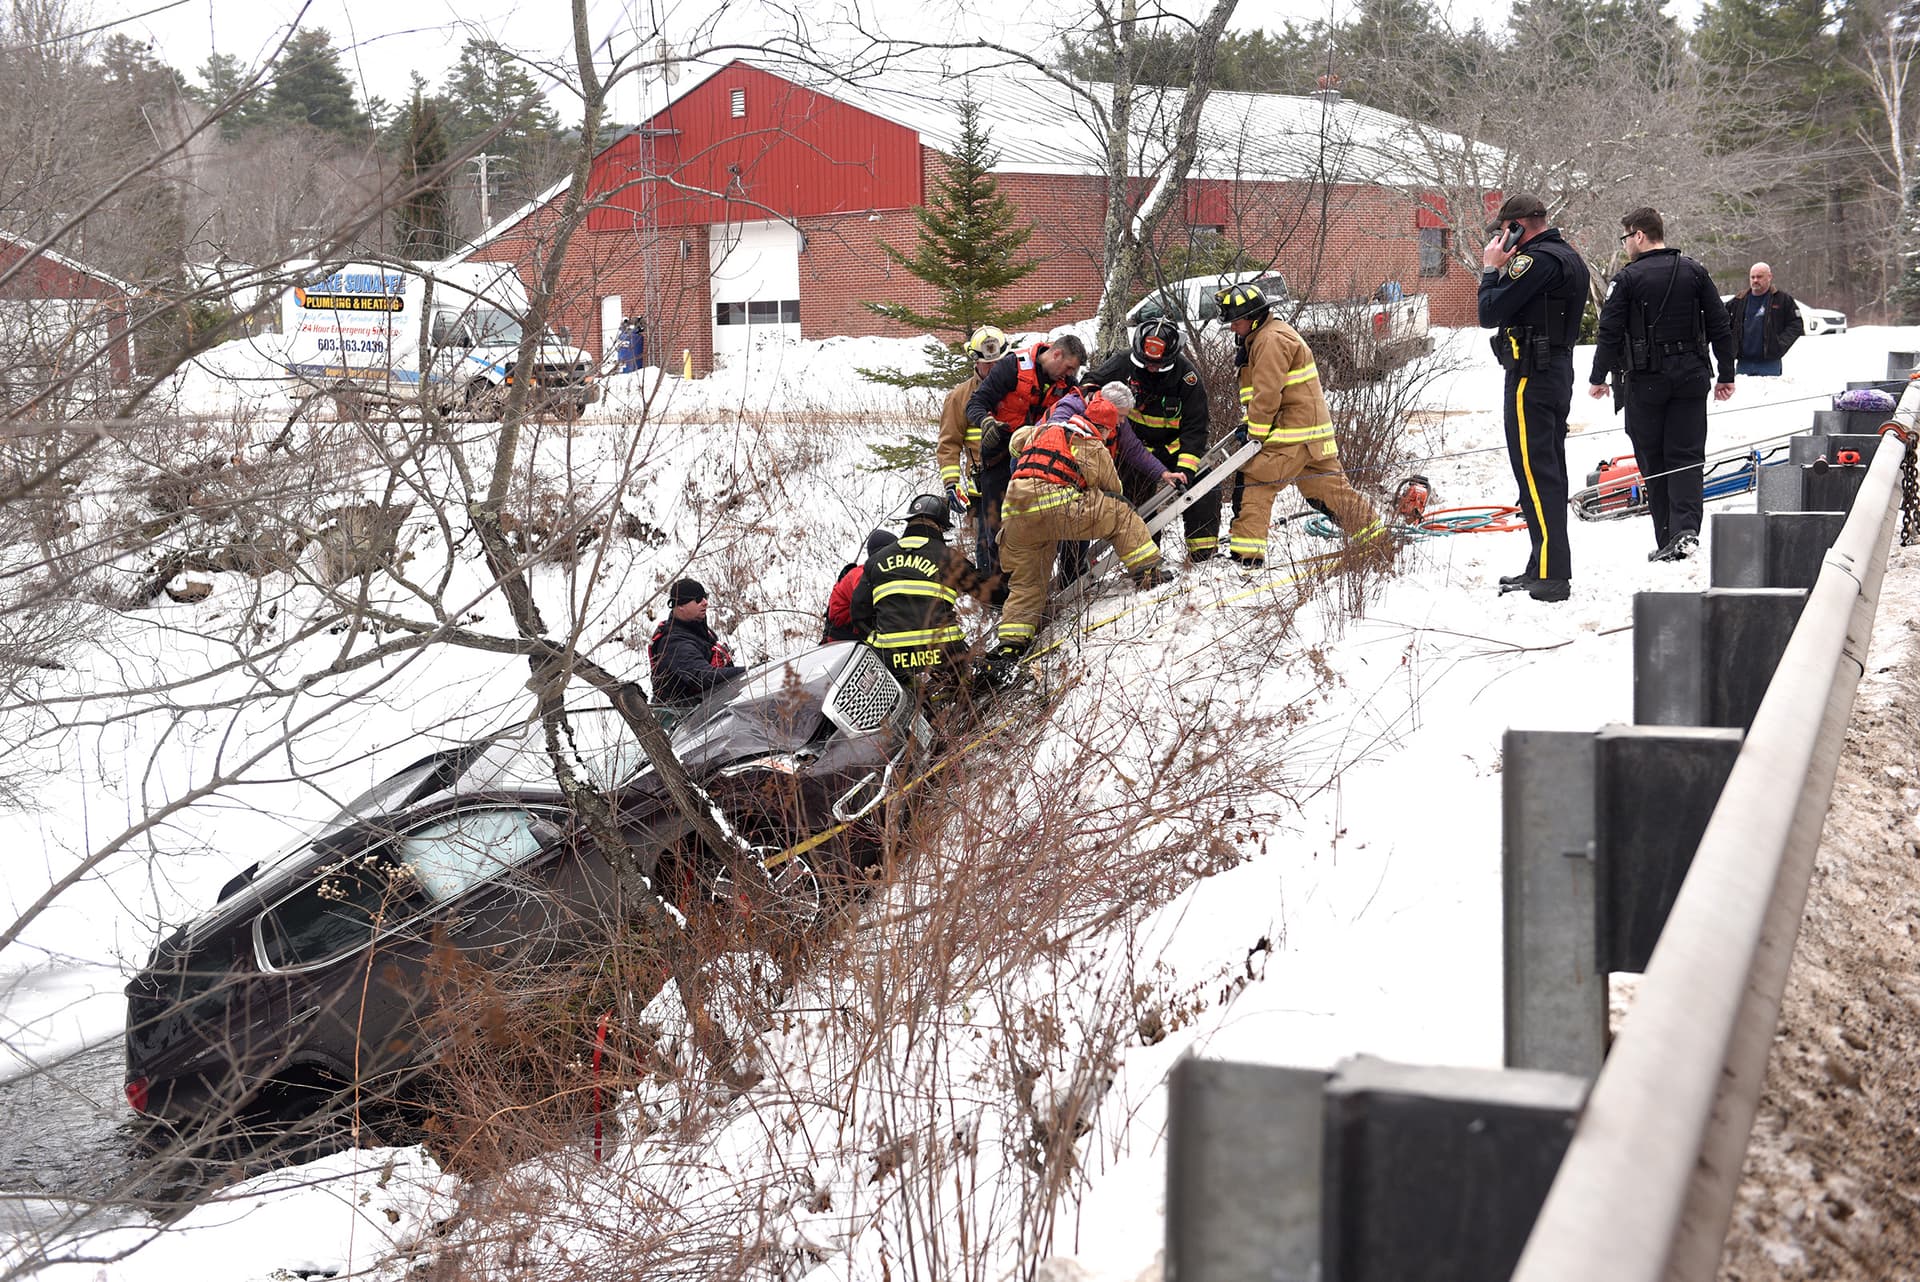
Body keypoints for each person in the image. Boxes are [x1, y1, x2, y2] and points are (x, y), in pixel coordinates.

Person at [1587, 207, 1736, 563]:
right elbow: (1720, 324)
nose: (1625, 246)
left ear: (1639, 235)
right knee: (1686, 456)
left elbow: (1609, 331)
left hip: (1646, 380)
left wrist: (1598, 376)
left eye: (1626, 238)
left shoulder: (1627, 280)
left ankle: (1668, 534)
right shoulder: (1695, 271)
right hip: (1691, 376)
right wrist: (1727, 373)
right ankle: (1686, 531)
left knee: (1653, 459)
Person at [992, 385, 1168, 663]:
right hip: (1056, 506)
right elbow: (1112, 487)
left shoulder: (1043, 429)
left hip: (1015, 514)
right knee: (1121, 512)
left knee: (1027, 584)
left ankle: (1012, 643)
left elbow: (1017, 439)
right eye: (1113, 430)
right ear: (1106, 428)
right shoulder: (1089, 440)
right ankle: (1149, 572)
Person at [1216, 282, 1383, 567]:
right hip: (1310, 437)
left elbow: (1267, 394)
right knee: (1331, 492)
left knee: (1255, 483)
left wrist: (1255, 435)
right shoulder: (1268, 335)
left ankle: (1246, 558)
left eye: (1236, 321)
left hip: (1290, 436)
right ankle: (1377, 540)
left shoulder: (1270, 340)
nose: (1233, 328)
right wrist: (1250, 422)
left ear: (1254, 317)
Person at [1478, 192, 1591, 604]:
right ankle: (1541, 565)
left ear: (1517, 227)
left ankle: (1551, 574)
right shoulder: (1566, 256)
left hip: (1531, 375)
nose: (1501, 240)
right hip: (1552, 371)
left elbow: (1489, 312)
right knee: (1545, 473)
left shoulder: (1535, 260)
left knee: (1536, 474)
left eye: (1504, 231)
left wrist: (1493, 271)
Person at [1085, 318, 1218, 561]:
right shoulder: (1123, 363)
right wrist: (1095, 397)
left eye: (1158, 365)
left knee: (1203, 489)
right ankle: (1148, 560)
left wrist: (1186, 470)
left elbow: (1196, 428)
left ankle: (1202, 556)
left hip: (1176, 450)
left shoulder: (1187, 377)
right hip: (1135, 451)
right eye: (1146, 363)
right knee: (1134, 504)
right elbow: (1090, 382)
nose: (1151, 369)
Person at [964, 334, 1088, 576]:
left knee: (1047, 522)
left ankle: (1056, 578)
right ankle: (1000, 590)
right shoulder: (1013, 366)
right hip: (999, 459)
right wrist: (987, 422)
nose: (1069, 374)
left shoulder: (1068, 385)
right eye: (1069, 367)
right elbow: (975, 403)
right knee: (997, 528)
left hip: (1038, 464)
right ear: (1056, 354)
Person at [852, 494, 1001, 686]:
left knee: (910, 698)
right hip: (944, 652)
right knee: (970, 687)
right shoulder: (946, 556)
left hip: (892, 657)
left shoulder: (875, 561)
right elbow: (986, 591)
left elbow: (858, 612)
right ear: (940, 526)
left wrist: (878, 641)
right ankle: (964, 687)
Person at [937, 326, 1010, 520]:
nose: (994, 368)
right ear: (975, 361)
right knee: (985, 548)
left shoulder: (1019, 389)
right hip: (981, 493)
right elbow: (948, 443)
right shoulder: (959, 397)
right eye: (988, 363)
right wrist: (951, 483)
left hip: (1018, 489)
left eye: (998, 362)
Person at [648, 579, 746, 706]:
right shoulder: (674, 644)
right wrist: (747, 672)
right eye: (698, 599)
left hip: (711, 706)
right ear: (681, 605)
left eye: (705, 597)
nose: (705, 602)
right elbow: (703, 677)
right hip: (686, 719)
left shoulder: (698, 628)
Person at [1724, 262, 1802, 378]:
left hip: (1770, 364)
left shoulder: (1782, 300)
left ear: (1769, 277)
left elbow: (1796, 324)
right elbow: (1722, 323)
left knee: (1770, 395)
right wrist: (1732, 345)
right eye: (1752, 277)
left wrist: (1779, 344)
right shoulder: (1738, 301)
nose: (1755, 280)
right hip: (1743, 364)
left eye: (1759, 277)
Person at [822, 528, 895, 642]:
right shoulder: (860, 574)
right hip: (844, 645)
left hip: (856, 641)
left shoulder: (875, 573)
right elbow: (871, 603)